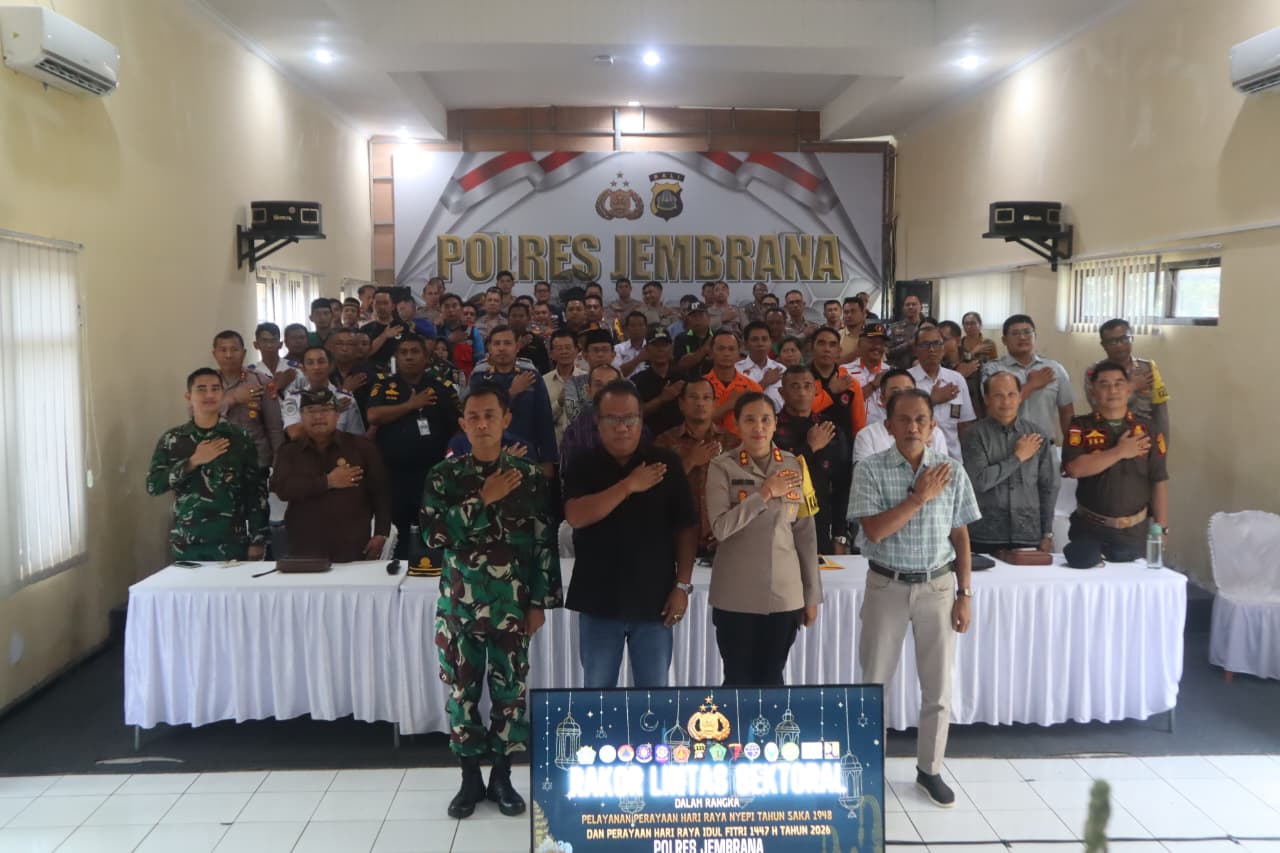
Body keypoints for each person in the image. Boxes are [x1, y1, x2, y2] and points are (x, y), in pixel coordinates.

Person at [422, 383, 561, 819]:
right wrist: (484, 499)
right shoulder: (444, 476)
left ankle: (502, 777)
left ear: (506, 420)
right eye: (473, 417)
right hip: (459, 608)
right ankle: (468, 779)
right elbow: (433, 536)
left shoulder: (530, 476)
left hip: (511, 606)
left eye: (490, 415)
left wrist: (539, 602)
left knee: (509, 695)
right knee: (462, 696)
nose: (482, 424)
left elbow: (543, 542)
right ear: (462, 425)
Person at [850, 388, 980, 808]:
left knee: (938, 688)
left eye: (921, 419)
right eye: (903, 419)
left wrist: (964, 594)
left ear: (932, 425)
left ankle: (930, 769)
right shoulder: (870, 470)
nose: (912, 427)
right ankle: (868, 769)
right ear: (888, 426)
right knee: (873, 685)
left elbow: (960, 535)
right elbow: (874, 531)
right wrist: (918, 497)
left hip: (938, 589)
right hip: (886, 586)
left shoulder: (951, 470)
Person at [563, 381, 698, 688]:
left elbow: (687, 528)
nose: (622, 427)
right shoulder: (583, 464)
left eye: (630, 418)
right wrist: (628, 486)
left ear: (641, 420)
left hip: (655, 601)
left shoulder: (666, 463)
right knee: (597, 696)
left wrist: (683, 586)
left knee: (653, 694)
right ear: (598, 421)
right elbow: (576, 516)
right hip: (598, 601)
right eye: (613, 419)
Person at [705, 392, 822, 685]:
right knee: (737, 678)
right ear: (737, 425)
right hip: (736, 593)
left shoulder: (795, 465)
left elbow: (805, 535)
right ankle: (735, 734)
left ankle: (771, 733)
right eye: (750, 420)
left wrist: (811, 596)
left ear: (775, 425)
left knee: (772, 677)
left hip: (784, 593)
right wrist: (765, 493)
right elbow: (720, 528)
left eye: (765, 419)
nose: (758, 427)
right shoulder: (722, 467)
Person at [146, 368, 268, 560]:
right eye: (201, 389)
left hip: (232, 543)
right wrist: (192, 462)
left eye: (215, 388)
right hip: (188, 543)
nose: (209, 395)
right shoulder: (173, 439)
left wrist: (257, 538)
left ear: (223, 393)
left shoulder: (239, 438)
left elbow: (254, 491)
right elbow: (154, 485)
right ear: (189, 396)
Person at [1062, 360, 1168, 561]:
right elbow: (1075, 468)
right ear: (1093, 392)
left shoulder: (1148, 430)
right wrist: (1120, 451)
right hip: (1089, 531)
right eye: (1104, 384)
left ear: (1129, 390)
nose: (1113, 390)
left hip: (1134, 533)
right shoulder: (1080, 426)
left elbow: (1159, 480)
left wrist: (1161, 530)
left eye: (1119, 383)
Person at [270, 389, 390, 561]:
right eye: (311, 411)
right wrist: (327, 482)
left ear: (337, 415)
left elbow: (381, 493)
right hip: (305, 547)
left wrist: (381, 534)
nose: (318, 417)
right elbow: (281, 489)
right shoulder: (289, 451)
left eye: (325, 410)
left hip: (354, 546)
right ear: (301, 417)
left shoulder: (362, 448)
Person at [367, 335, 460, 558]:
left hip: (432, 473)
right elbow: (373, 416)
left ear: (426, 357)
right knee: (397, 532)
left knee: (432, 531)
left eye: (415, 352)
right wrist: (411, 405)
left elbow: (458, 427)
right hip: (393, 474)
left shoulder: (441, 387)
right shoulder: (384, 385)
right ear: (396, 358)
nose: (409, 356)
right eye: (404, 352)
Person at [961, 371, 1059, 554]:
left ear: (1020, 396)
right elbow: (980, 481)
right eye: (998, 395)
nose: (1006, 401)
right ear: (987, 399)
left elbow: (1048, 486)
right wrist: (1018, 458)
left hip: (1028, 534)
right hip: (985, 535)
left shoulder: (1037, 435)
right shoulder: (974, 435)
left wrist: (1047, 533)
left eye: (1011, 394)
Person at [655, 377, 742, 557]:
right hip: (677, 539)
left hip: (723, 540)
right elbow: (656, 489)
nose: (700, 403)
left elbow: (743, 491)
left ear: (715, 403)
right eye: (694, 397)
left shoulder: (732, 442)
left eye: (706, 398)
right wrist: (689, 462)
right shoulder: (665, 442)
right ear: (681, 403)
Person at [773, 367, 853, 554]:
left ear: (816, 390)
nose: (802, 392)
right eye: (794, 386)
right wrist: (810, 448)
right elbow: (776, 472)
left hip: (820, 524)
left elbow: (842, 486)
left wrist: (840, 535)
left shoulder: (830, 429)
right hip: (779, 522)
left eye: (807, 386)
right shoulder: (770, 428)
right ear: (782, 393)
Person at [469, 326, 557, 477]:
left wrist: (548, 460)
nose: (501, 348)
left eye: (507, 343)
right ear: (489, 347)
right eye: (496, 344)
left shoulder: (530, 374)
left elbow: (544, 419)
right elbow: (480, 416)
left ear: (517, 347)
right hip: (489, 456)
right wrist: (512, 392)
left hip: (527, 453)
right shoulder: (480, 377)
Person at [981, 314, 1074, 442]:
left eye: (1027, 332)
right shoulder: (992, 370)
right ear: (1004, 340)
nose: (1022, 337)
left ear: (1035, 336)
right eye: (1015, 333)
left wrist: (1071, 449)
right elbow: (992, 411)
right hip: (1006, 447)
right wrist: (1032, 385)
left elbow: (1067, 413)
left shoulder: (1055, 369)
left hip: (1045, 447)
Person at [212, 330, 284, 470]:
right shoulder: (206, 384)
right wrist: (232, 399)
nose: (229, 355)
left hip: (256, 461)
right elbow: (197, 417)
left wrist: (278, 464)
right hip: (218, 461)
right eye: (223, 350)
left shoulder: (261, 381)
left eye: (234, 349)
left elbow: (274, 428)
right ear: (214, 354)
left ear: (244, 353)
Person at [1093, 318, 1170, 443]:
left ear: (1132, 339)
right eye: (1112, 342)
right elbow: (1099, 407)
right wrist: (1133, 386)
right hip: (1107, 440)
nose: (1119, 345)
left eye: (1124, 339)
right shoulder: (1095, 372)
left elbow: (1161, 412)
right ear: (1103, 345)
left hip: (1144, 439)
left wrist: (1162, 445)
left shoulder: (1148, 368)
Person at [909, 326, 977, 461]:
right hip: (915, 459)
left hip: (952, 460)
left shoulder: (956, 379)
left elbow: (965, 425)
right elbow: (900, 419)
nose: (932, 349)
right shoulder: (907, 379)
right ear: (915, 349)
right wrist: (932, 400)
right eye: (925, 344)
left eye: (937, 343)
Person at [853, 369, 949, 463]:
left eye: (909, 391)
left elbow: (942, 474)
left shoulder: (934, 433)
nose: (903, 398)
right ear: (882, 399)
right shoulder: (867, 436)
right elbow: (864, 476)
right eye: (895, 393)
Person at [558, 364, 625, 482]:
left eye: (611, 385)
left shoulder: (634, 425)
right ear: (588, 390)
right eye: (598, 385)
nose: (605, 390)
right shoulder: (574, 431)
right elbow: (568, 476)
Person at [281, 346, 365, 439]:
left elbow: (356, 438)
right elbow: (294, 433)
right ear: (303, 369)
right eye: (310, 363)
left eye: (321, 362)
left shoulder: (345, 399)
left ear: (330, 366)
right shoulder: (293, 398)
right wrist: (331, 408)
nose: (316, 367)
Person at [809, 327, 867, 455]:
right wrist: (831, 392)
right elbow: (801, 412)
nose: (827, 349)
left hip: (843, 454)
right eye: (821, 343)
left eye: (832, 345)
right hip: (809, 451)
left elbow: (859, 427)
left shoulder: (850, 383)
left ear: (839, 351)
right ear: (811, 348)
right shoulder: (802, 380)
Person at [706, 330, 763, 435]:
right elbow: (696, 421)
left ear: (738, 353)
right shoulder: (700, 386)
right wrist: (730, 404)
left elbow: (761, 424)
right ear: (711, 352)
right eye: (721, 349)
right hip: (707, 447)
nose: (726, 353)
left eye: (731, 349)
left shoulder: (753, 388)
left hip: (743, 447)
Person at [631, 329, 685, 435]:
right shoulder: (636, 381)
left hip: (681, 440)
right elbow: (633, 414)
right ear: (646, 349)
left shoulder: (683, 379)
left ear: (672, 349)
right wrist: (661, 399)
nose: (660, 349)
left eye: (664, 345)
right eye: (655, 345)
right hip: (649, 439)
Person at [562, 328, 616, 430]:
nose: (600, 355)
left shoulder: (626, 384)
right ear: (585, 356)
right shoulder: (573, 384)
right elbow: (574, 417)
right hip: (583, 439)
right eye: (595, 350)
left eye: (605, 350)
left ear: (613, 355)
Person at [543, 329, 584, 445]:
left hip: (583, 446)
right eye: (559, 348)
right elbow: (541, 420)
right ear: (551, 354)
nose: (564, 352)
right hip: (555, 446)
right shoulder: (543, 381)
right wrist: (559, 403)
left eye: (568, 347)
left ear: (577, 350)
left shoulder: (587, 379)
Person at [844, 322, 891, 420]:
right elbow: (846, 402)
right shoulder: (845, 370)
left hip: (884, 432)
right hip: (854, 432)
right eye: (872, 342)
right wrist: (873, 385)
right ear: (860, 343)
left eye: (881, 343)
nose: (877, 347)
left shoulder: (891, 373)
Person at [737, 321, 786, 412]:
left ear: (770, 342)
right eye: (755, 339)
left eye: (764, 339)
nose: (760, 344)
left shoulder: (781, 369)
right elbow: (738, 401)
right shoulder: (736, 370)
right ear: (746, 344)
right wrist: (765, 382)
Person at [360, 287, 412, 370]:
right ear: (373, 305)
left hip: (398, 372)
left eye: (385, 303)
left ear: (393, 306)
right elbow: (364, 354)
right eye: (378, 303)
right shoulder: (365, 329)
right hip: (372, 372)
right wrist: (384, 336)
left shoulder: (402, 327)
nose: (381, 307)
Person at [439, 292, 486, 377]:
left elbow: (480, 361)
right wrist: (448, 341)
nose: (451, 310)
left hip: (467, 380)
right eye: (446, 306)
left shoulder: (472, 332)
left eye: (454, 306)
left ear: (461, 309)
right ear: (440, 310)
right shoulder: (436, 331)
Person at [246, 322, 299, 394]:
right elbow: (251, 396)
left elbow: (306, 391)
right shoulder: (251, 372)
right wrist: (278, 384)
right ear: (256, 345)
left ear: (280, 345)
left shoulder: (293, 368)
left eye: (273, 341)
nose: (269, 345)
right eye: (264, 341)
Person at [502, 301, 550, 375]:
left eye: (521, 316)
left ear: (528, 319)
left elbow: (544, 367)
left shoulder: (536, 340)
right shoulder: (500, 338)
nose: (517, 319)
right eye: (514, 316)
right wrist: (519, 346)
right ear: (508, 319)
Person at [674, 300, 714, 376]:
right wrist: (705, 349)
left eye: (700, 315)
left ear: (709, 318)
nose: (697, 319)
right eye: (693, 316)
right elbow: (681, 364)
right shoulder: (681, 338)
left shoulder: (718, 336)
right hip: (689, 382)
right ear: (687, 320)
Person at [887, 294, 924, 369]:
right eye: (907, 305)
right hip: (899, 371)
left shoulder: (927, 327)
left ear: (921, 307)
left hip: (922, 372)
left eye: (914, 304)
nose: (910, 307)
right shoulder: (893, 328)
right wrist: (908, 345)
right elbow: (886, 353)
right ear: (903, 308)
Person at [612, 311, 650, 377]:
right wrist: (638, 359)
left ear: (646, 328)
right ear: (626, 329)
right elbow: (617, 374)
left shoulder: (652, 348)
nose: (637, 328)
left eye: (641, 325)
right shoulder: (617, 349)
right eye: (633, 325)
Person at [838, 296, 867, 362]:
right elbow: (832, 365)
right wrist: (855, 354)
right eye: (846, 312)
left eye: (853, 311)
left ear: (863, 314)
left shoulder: (872, 337)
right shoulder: (837, 336)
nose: (849, 315)